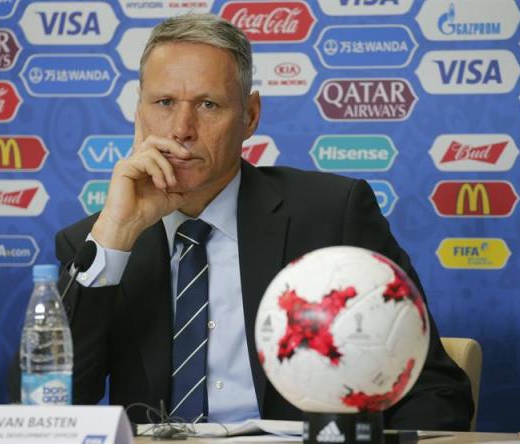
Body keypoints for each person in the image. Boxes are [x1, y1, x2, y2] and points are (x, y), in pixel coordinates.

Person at [52, 14, 474, 429]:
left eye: (207, 104)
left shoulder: (331, 216)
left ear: (250, 116)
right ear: (138, 111)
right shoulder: (95, 243)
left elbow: (434, 392)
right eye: (164, 103)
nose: (181, 129)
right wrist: (115, 237)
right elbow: (48, 406)